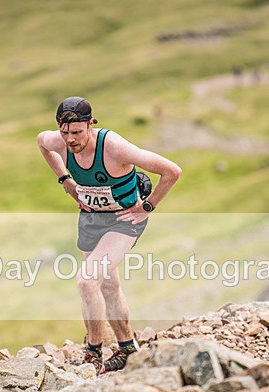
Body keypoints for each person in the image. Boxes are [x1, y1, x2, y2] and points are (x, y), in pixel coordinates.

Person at [37, 96, 182, 374]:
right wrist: (65, 180)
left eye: (77, 132)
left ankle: (93, 353)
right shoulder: (59, 141)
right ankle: (127, 349)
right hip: (92, 218)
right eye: (65, 132)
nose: (71, 140)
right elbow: (41, 142)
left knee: (87, 282)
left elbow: (171, 171)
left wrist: (147, 206)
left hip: (124, 220)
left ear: (91, 125)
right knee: (108, 286)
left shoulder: (113, 147)